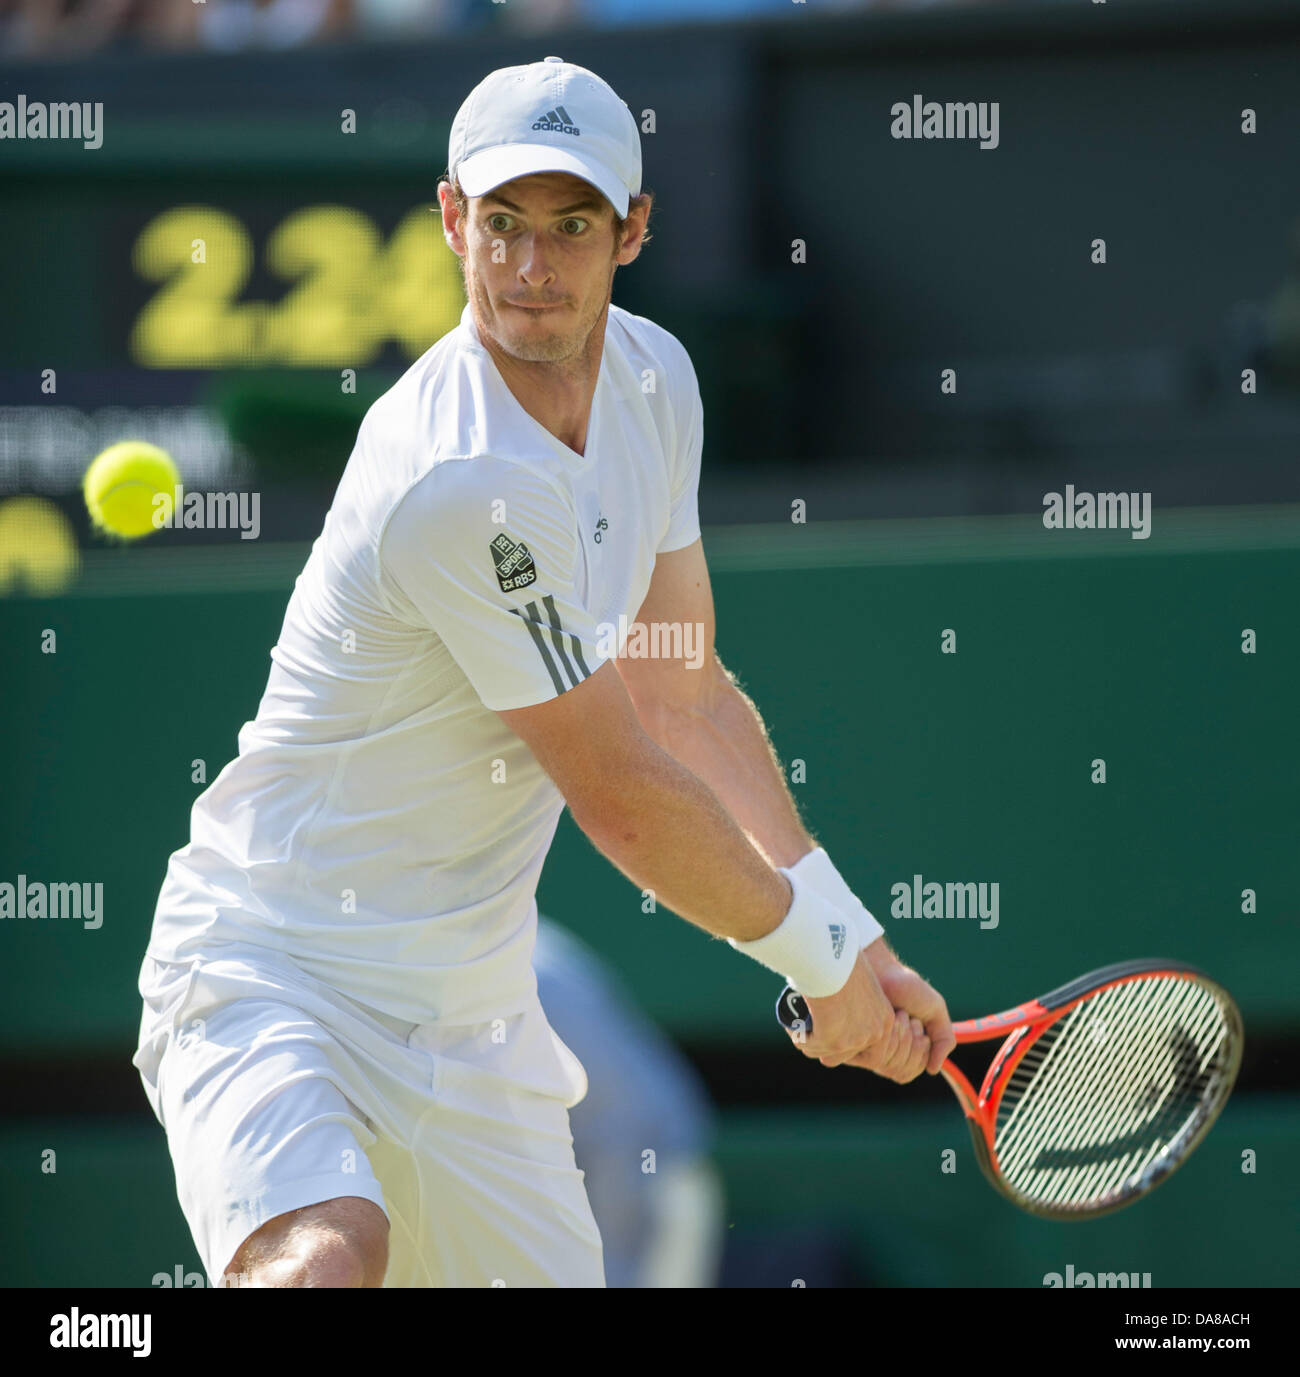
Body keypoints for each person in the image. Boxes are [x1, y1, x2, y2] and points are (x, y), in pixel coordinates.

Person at [133, 55, 955, 1289]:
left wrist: (848, 932)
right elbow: (620, 792)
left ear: (632, 232)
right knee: (325, 1258)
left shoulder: (654, 380)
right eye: (503, 224)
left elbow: (680, 688)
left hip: (477, 1020)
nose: (531, 267)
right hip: (274, 965)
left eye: (571, 226)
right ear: (452, 221)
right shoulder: (452, 477)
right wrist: (813, 968)